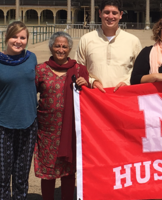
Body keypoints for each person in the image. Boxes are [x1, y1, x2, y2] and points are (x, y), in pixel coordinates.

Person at [0, 21, 38, 200]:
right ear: (7, 38)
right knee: (1, 174)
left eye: (22, 37)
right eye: (14, 36)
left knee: (22, 174)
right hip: (2, 123)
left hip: (28, 122)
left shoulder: (31, 58)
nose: (18, 41)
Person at [35, 31, 90, 200]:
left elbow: (89, 99)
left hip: (71, 129)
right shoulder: (41, 70)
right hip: (47, 130)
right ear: (51, 47)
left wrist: (86, 85)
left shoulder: (79, 70)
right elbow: (28, 94)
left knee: (68, 171)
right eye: (57, 46)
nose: (60, 49)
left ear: (69, 49)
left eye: (64, 46)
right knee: (48, 171)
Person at [75, 0, 142, 92]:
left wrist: (127, 82)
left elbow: (139, 72)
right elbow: (78, 70)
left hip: (123, 97)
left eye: (114, 13)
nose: (110, 16)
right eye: (106, 12)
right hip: (95, 98)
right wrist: (92, 81)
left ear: (121, 15)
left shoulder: (133, 41)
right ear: (100, 13)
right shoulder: (86, 40)